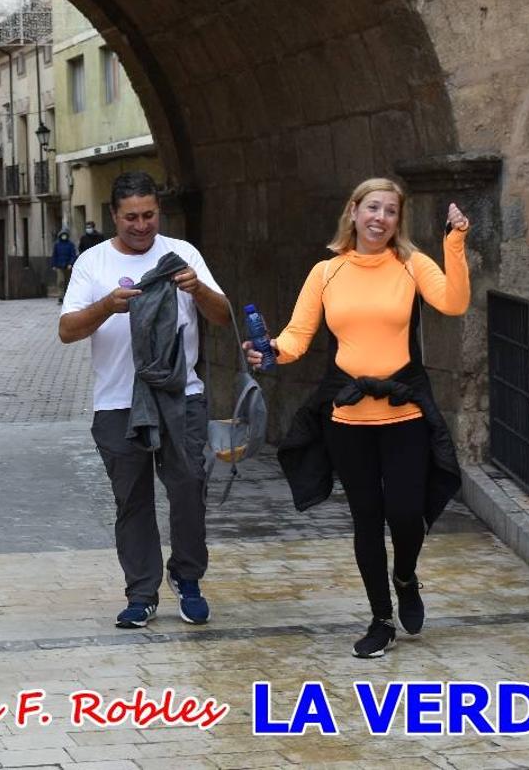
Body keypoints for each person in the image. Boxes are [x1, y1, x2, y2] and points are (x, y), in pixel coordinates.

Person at [245, 177, 470, 659]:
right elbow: (297, 338)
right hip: (347, 419)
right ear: (353, 211)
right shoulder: (326, 273)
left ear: (398, 220)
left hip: (403, 410)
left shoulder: (412, 264)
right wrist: (267, 353)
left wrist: (455, 242)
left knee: (407, 514)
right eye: (372, 208)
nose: (380, 218)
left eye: (390, 211)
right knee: (366, 519)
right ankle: (380, 618)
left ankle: (405, 577)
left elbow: (454, 302)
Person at [59, 171, 230, 629]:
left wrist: (198, 289)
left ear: (159, 212)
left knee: (189, 487)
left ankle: (188, 579)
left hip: (182, 396)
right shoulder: (92, 264)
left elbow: (223, 315)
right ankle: (141, 593)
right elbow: (66, 330)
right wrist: (106, 307)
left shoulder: (183, 255)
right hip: (117, 402)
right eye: (131, 217)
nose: (141, 225)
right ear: (114, 216)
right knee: (132, 501)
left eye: (149, 215)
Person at [51, 230, 77, 302]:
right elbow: (54, 255)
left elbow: (73, 255)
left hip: (68, 266)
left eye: (65, 235)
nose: (64, 236)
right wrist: (54, 264)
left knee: (68, 282)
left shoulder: (70, 244)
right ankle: (61, 297)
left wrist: (71, 263)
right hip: (60, 266)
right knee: (60, 281)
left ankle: (68, 296)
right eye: (62, 235)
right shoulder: (57, 244)